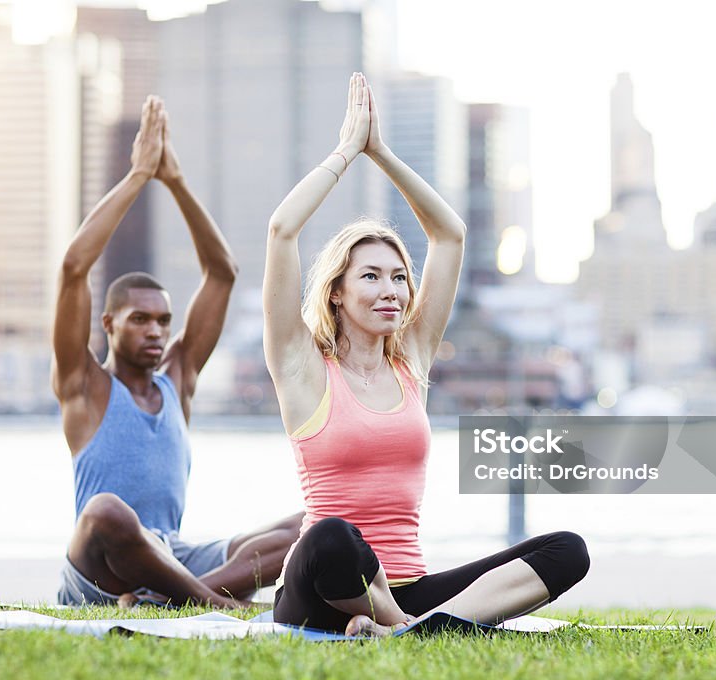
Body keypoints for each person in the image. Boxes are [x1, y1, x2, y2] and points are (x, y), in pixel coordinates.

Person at [263, 73, 589, 635]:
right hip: (324, 591)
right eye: (371, 276)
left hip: (413, 584)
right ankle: (406, 627)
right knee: (332, 535)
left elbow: (449, 236)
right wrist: (348, 152)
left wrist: (382, 152)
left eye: (399, 277)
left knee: (568, 550)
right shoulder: (302, 366)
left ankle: (413, 626)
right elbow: (281, 231)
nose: (391, 290)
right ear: (336, 291)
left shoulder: (409, 360)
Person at [52, 95, 302, 608]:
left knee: (312, 521)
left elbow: (222, 273)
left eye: (164, 320)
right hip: (103, 565)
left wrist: (176, 181)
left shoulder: (179, 379)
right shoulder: (83, 384)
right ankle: (212, 602)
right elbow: (74, 266)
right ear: (109, 324)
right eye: (139, 319)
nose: (156, 331)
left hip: (173, 558)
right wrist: (140, 176)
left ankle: (172, 599)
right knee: (106, 511)